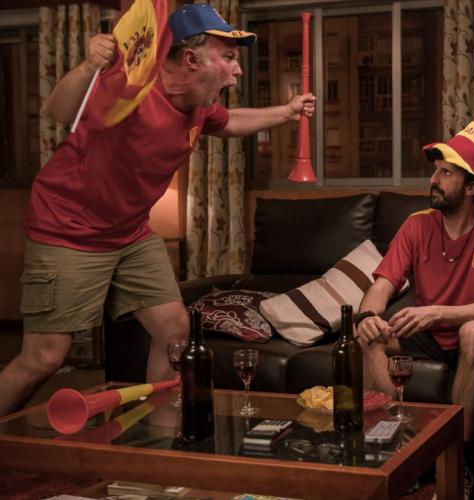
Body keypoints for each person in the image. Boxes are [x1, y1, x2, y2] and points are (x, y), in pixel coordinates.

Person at [0, 3, 315, 417]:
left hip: (131, 233)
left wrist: (287, 112)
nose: (238, 70)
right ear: (192, 59)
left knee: (173, 331)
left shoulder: (199, 105)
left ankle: (157, 434)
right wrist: (88, 66)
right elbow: (59, 111)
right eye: (229, 57)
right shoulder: (129, 85)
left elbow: (230, 122)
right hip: (68, 230)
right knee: (44, 358)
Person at [356, 111, 474, 446]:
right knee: (368, 336)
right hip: (426, 335)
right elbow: (382, 285)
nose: (433, 179)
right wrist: (368, 317)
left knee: (473, 332)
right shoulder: (416, 224)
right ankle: (396, 444)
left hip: (468, 337)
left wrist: (435, 312)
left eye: (446, 173)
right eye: (436, 170)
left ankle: (459, 457)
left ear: (472, 186)